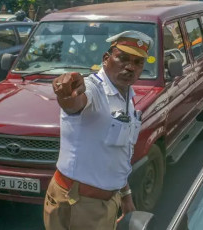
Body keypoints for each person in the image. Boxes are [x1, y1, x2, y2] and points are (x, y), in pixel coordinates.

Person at [44, 30, 152, 229]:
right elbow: (74, 102)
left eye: (138, 63)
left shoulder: (126, 95)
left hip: (107, 201)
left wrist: (125, 195)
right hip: (78, 204)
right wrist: (66, 93)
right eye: (123, 59)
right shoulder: (93, 88)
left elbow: (117, 154)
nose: (130, 67)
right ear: (106, 58)